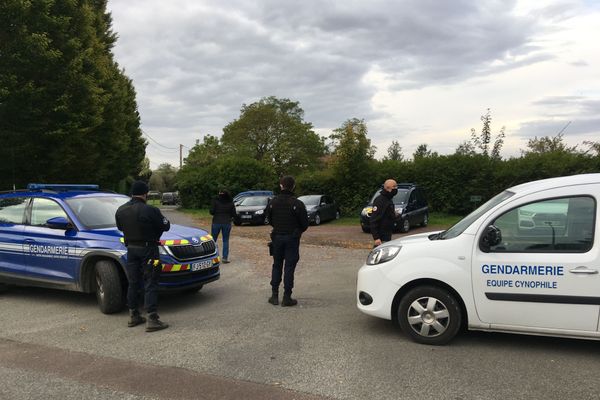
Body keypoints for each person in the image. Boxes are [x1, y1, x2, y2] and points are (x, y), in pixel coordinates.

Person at [115, 181, 170, 332]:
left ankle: (134, 315)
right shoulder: (150, 210)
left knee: (133, 282)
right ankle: (152, 318)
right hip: (149, 249)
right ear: (145, 194)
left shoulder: (121, 210)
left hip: (131, 249)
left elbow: (120, 227)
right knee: (151, 281)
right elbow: (166, 225)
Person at [265, 176, 309, 307]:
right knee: (289, 267)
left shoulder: (273, 202)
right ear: (293, 186)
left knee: (277, 265)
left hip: (277, 237)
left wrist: (278, 227)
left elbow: (269, 219)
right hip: (292, 238)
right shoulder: (297, 203)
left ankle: (274, 296)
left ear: (281, 186)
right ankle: (286, 297)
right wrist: (297, 230)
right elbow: (305, 224)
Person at [210, 189, 236, 263]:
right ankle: (225, 258)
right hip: (227, 222)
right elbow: (234, 214)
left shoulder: (215, 201)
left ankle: (212, 257)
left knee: (213, 240)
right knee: (225, 240)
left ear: (220, 194)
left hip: (216, 222)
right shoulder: (230, 202)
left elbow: (211, 211)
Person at [370, 179, 398, 248]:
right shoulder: (380, 200)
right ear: (387, 188)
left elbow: (389, 216)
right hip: (381, 237)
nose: (396, 189)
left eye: (396, 186)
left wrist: (396, 216)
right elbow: (373, 220)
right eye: (394, 187)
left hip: (387, 234)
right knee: (380, 256)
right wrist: (376, 238)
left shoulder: (388, 199)